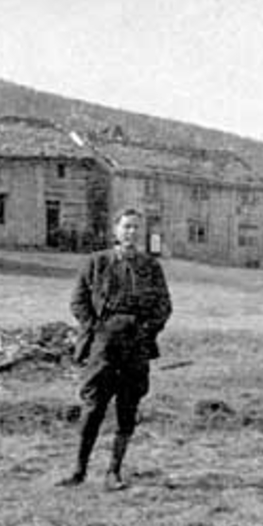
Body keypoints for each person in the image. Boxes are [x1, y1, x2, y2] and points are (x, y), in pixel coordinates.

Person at [57, 208, 172, 491]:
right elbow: (78, 302)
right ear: (115, 231)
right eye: (126, 227)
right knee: (93, 406)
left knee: (127, 408)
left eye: (136, 227)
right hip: (103, 345)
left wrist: (146, 331)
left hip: (136, 345)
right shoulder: (96, 263)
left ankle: (114, 471)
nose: (131, 233)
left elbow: (163, 306)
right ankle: (79, 470)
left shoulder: (151, 267)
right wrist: (96, 329)